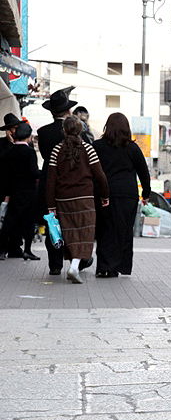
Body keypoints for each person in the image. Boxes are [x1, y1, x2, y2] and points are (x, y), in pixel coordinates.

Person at [38, 86, 96, 275]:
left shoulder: (43, 132)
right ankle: (76, 260)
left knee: (53, 225)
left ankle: (55, 265)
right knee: (74, 224)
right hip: (74, 184)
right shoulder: (79, 132)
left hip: (50, 181)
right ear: (69, 111)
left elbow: (48, 157)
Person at [45, 116, 109, 284]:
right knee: (85, 233)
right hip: (85, 198)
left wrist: (51, 205)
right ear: (81, 131)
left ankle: (74, 266)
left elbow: (50, 180)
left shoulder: (56, 150)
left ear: (64, 131)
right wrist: (105, 196)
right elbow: (100, 176)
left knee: (70, 233)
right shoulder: (88, 149)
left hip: (63, 199)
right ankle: (74, 267)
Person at [92, 113, 151, 278]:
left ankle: (104, 266)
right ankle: (118, 265)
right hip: (127, 195)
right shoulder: (132, 148)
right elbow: (143, 173)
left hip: (104, 194)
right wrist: (145, 194)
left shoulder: (97, 146)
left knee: (105, 230)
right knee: (123, 230)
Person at [0, 123, 39, 261]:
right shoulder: (29, 152)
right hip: (28, 192)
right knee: (28, 222)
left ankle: (2, 250)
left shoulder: (9, 152)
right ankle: (27, 250)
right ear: (28, 137)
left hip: (13, 192)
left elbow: (5, 174)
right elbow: (34, 172)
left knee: (9, 221)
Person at [0, 113, 24, 258]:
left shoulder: (23, 142)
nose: (15, 131)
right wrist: (10, 144)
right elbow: (3, 159)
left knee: (17, 218)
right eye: (13, 129)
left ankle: (15, 247)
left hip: (18, 186)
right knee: (3, 218)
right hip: (3, 186)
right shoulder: (2, 144)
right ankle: (2, 247)